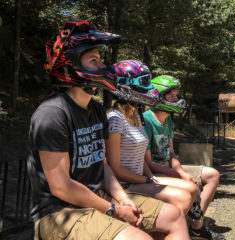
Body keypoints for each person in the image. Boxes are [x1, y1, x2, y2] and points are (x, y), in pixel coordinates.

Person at [27, 20, 189, 240]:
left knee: (174, 216)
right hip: (60, 212)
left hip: (100, 195)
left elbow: (103, 166)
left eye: (100, 59)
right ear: (71, 66)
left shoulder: (96, 110)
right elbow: (61, 187)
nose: (104, 66)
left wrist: (123, 199)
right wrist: (112, 210)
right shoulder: (53, 113)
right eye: (94, 60)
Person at [105, 60, 198, 215]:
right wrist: (147, 180)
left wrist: (150, 176)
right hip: (125, 184)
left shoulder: (136, 116)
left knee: (192, 188)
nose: (150, 89)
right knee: (183, 197)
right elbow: (115, 168)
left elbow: (140, 157)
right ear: (127, 86)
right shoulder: (115, 118)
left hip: (141, 178)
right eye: (144, 83)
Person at [143, 75, 224, 240]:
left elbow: (171, 153)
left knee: (212, 175)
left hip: (169, 168)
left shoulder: (168, 120)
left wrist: (180, 170)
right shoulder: (147, 121)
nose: (176, 99)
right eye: (171, 95)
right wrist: (178, 175)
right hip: (154, 172)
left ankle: (196, 227)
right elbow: (147, 162)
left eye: (176, 95)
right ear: (157, 96)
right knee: (187, 187)